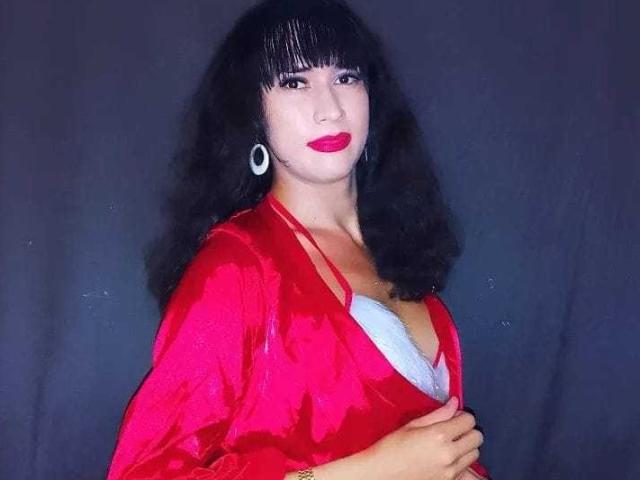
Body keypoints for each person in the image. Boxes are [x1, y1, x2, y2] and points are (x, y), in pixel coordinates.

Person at [107, 0, 490, 479]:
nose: (329, 109)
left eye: (345, 77)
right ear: (252, 111)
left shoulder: (395, 249)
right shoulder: (237, 269)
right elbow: (143, 472)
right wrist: (371, 472)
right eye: (294, 82)